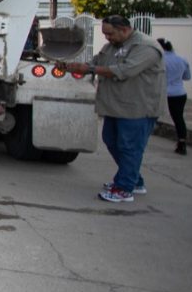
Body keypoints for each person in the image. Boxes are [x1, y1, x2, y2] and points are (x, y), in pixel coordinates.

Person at [64, 15, 165, 203]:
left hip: (137, 109)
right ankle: (135, 181)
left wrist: (90, 70)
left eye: (110, 34)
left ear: (124, 29)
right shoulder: (112, 47)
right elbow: (97, 62)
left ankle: (124, 188)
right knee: (111, 140)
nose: (107, 38)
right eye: (105, 34)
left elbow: (125, 71)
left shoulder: (145, 47)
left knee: (130, 148)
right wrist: (75, 66)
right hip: (116, 107)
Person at [158, 38, 191, 155]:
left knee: (152, 115)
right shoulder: (182, 60)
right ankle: (182, 143)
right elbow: (187, 77)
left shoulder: (160, 60)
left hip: (164, 93)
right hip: (180, 93)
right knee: (179, 118)